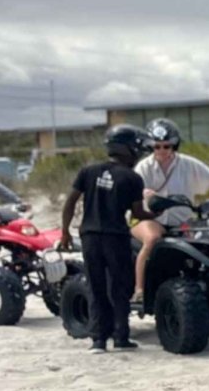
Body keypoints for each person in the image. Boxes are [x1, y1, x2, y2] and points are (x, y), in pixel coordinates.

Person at [131, 117, 209, 299]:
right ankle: (139, 290)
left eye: (166, 146)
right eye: (156, 146)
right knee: (152, 238)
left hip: (181, 221)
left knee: (208, 241)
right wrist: (146, 193)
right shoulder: (144, 167)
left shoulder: (187, 164)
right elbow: (134, 188)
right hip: (149, 218)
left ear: (174, 145)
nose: (161, 151)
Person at [58, 125, 155, 353]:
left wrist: (64, 231)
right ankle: (121, 338)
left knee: (95, 286)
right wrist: (157, 214)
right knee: (119, 288)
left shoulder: (87, 171)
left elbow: (70, 202)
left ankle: (98, 341)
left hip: (90, 236)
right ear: (129, 149)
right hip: (116, 237)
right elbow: (138, 213)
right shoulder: (132, 178)